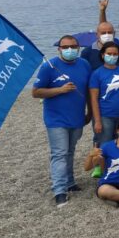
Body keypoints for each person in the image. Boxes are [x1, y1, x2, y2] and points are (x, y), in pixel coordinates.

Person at [32, 35, 92, 207]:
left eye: (73, 46)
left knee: (70, 151)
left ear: (79, 48)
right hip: (56, 119)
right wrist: (60, 90)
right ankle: (59, 191)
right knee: (59, 153)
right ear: (59, 48)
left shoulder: (84, 64)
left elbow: (88, 90)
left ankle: (70, 182)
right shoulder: (48, 67)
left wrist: (89, 112)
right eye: (65, 47)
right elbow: (36, 92)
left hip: (77, 117)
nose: (70, 50)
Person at [88, 42, 119, 178]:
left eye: (115, 54)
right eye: (109, 54)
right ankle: (100, 169)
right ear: (103, 55)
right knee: (104, 144)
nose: (112, 56)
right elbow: (94, 99)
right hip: (105, 116)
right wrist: (97, 120)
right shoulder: (96, 74)